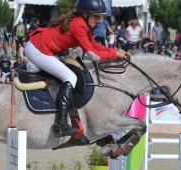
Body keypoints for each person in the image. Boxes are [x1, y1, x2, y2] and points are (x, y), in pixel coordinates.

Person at [24, 0, 129, 137]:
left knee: (67, 74)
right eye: (96, 16)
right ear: (85, 13)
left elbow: (95, 46)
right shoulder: (78, 25)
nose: (99, 20)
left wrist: (115, 51)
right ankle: (60, 124)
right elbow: (93, 55)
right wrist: (115, 54)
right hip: (38, 50)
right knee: (70, 77)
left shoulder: (82, 24)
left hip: (41, 48)